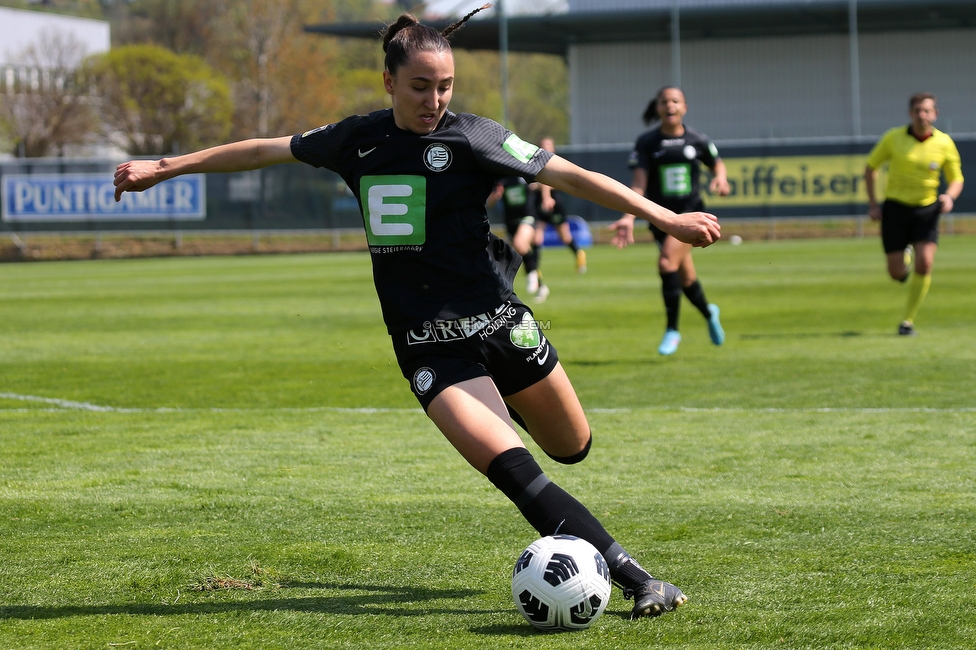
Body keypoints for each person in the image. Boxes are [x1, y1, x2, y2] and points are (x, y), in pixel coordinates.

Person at [114, 8, 720, 619]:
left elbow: (572, 175)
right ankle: (640, 580)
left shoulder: (476, 136)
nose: (434, 99)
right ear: (389, 82)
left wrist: (666, 219)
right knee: (516, 472)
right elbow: (263, 150)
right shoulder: (356, 139)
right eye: (420, 86)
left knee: (573, 447)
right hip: (428, 345)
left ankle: (504, 396)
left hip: (500, 323)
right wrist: (164, 168)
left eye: (445, 86)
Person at [610, 86, 729, 356]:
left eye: (675, 101)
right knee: (685, 279)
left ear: (684, 107)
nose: (670, 106)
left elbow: (717, 163)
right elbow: (638, 185)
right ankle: (709, 311)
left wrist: (720, 177)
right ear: (658, 107)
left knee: (666, 263)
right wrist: (628, 217)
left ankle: (672, 330)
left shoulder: (697, 139)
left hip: (691, 217)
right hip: (661, 219)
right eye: (664, 102)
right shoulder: (647, 142)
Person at [863, 92, 964, 337]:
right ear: (910, 113)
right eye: (918, 110)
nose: (922, 115)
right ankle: (905, 256)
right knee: (897, 274)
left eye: (927, 110)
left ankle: (907, 321)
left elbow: (956, 178)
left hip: (927, 209)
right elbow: (870, 169)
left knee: (926, 262)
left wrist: (949, 196)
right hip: (896, 209)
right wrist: (874, 204)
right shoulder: (893, 138)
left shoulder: (944, 143)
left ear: (935, 114)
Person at [487, 176, 548, 302]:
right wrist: (496, 195)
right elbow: (490, 203)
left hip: (527, 217)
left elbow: (542, 183)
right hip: (510, 223)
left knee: (519, 243)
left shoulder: (523, 175)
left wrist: (545, 196)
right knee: (521, 250)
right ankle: (541, 285)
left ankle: (532, 275)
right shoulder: (500, 181)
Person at [533, 136, 588, 276]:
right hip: (540, 203)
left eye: (548, 144)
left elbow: (547, 183)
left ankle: (579, 253)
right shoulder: (533, 161)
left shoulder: (556, 163)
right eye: (543, 144)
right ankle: (535, 270)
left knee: (565, 237)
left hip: (554, 204)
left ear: (553, 148)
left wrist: (546, 197)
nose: (546, 147)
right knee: (537, 238)